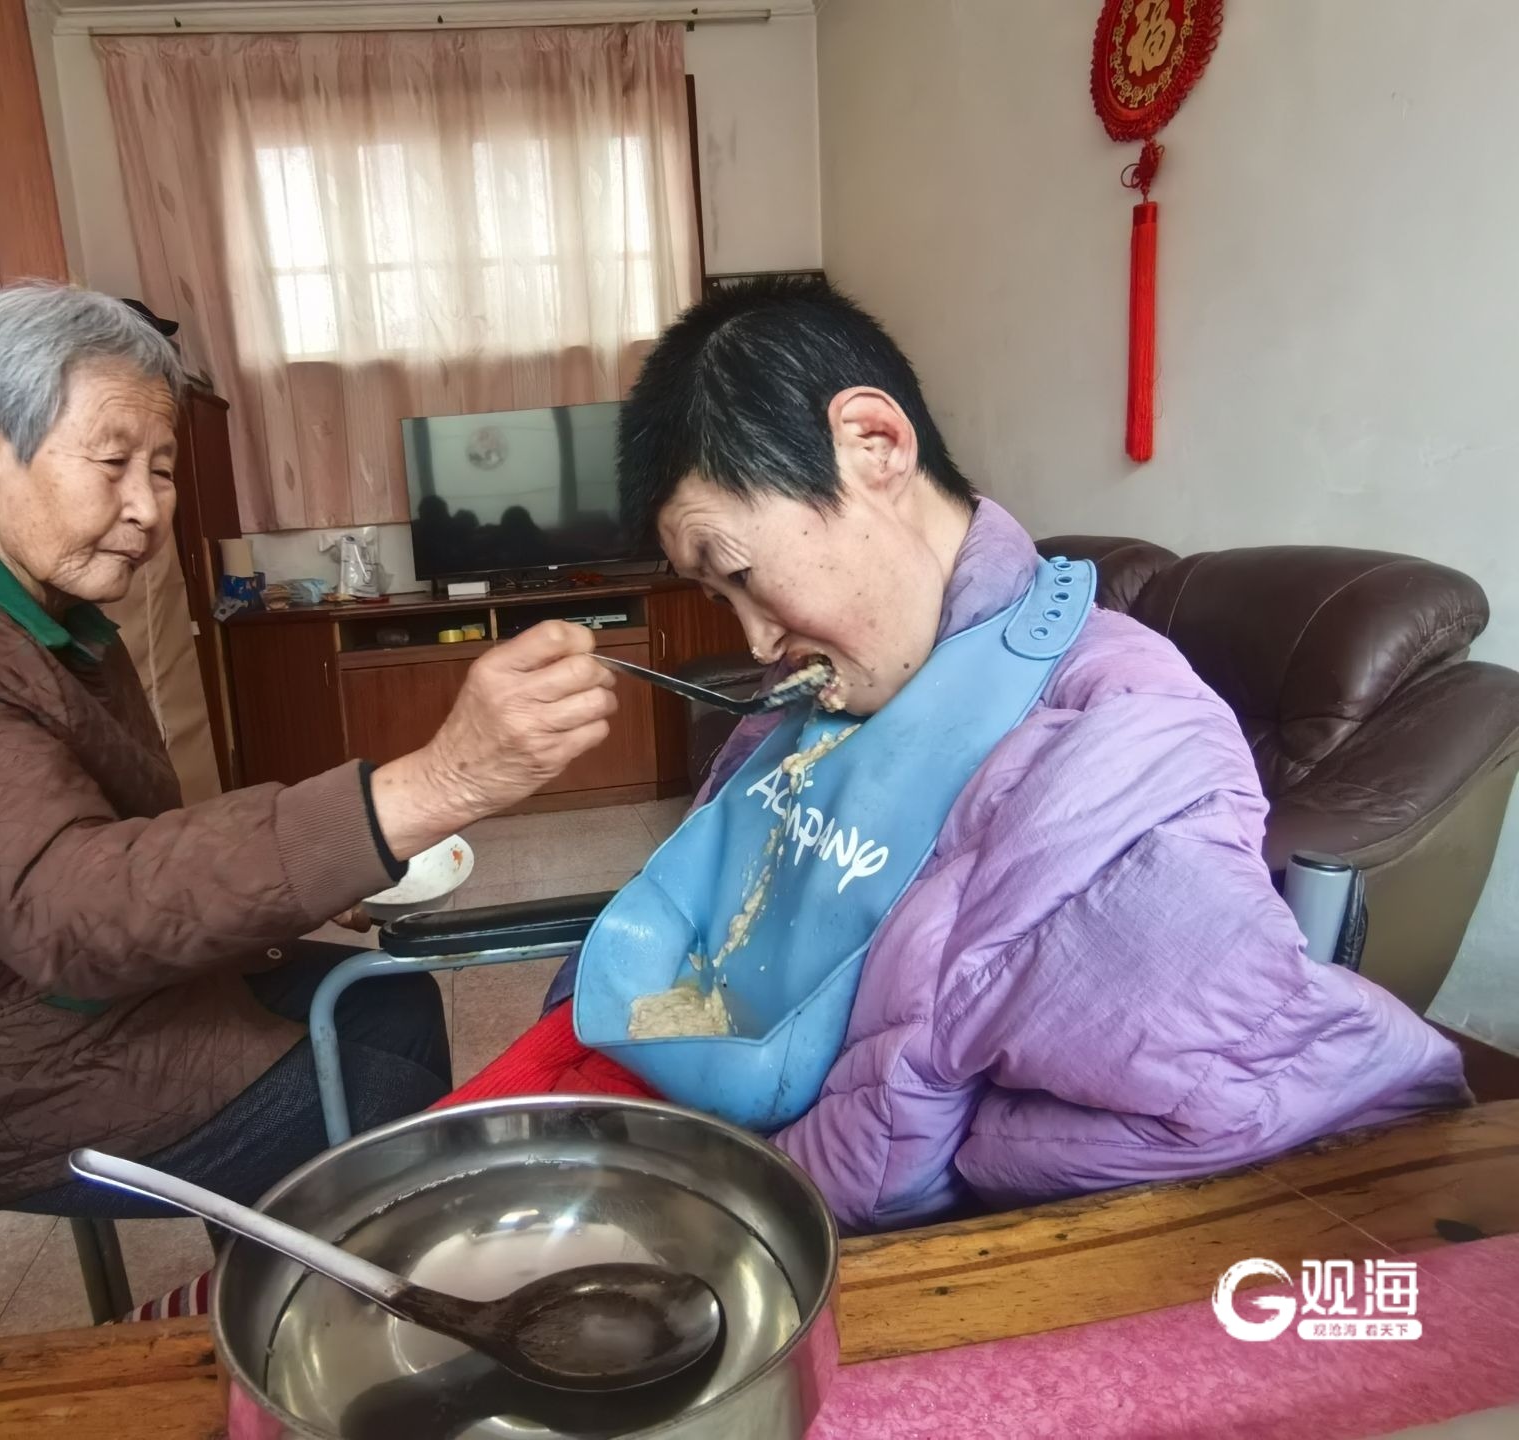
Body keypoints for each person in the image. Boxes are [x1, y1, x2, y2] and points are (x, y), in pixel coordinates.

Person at [451, 276, 1469, 1233]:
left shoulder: (1109, 744)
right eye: (717, 597)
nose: (754, 641)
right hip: (686, 1121)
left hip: (805, 1220)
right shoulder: (818, 694)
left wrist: (951, 1148)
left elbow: (1283, 1097)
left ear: (874, 445)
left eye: (742, 574)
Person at [0, 283, 617, 1217]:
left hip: (58, 1004)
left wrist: (309, 876)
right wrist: (439, 782)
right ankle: (332, 1280)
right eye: (113, 462)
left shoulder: (24, 605)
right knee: (379, 1107)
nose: (148, 507)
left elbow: (115, 839)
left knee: (389, 999)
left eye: (160, 469)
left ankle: (318, 1266)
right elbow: (72, 909)